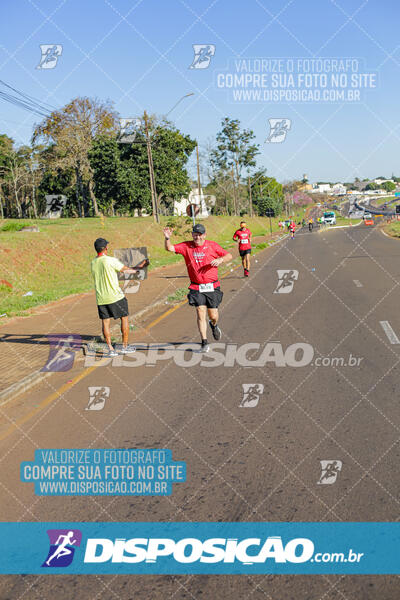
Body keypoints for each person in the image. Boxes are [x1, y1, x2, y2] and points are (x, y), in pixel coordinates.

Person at [163, 223, 232, 353]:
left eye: (200, 235)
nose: (197, 237)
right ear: (192, 234)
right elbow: (170, 248)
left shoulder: (212, 245)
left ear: (204, 235)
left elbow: (229, 255)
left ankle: (214, 325)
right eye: (195, 234)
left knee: (213, 315)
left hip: (212, 286)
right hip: (196, 286)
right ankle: (204, 342)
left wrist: (220, 260)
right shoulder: (186, 246)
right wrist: (167, 238)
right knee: (200, 312)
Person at [91, 238, 139, 357]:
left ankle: (110, 349)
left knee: (105, 322)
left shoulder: (93, 262)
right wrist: (137, 270)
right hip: (115, 296)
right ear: (106, 248)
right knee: (124, 318)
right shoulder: (110, 260)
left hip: (101, 298)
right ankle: (124, 346)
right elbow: (125, 270)